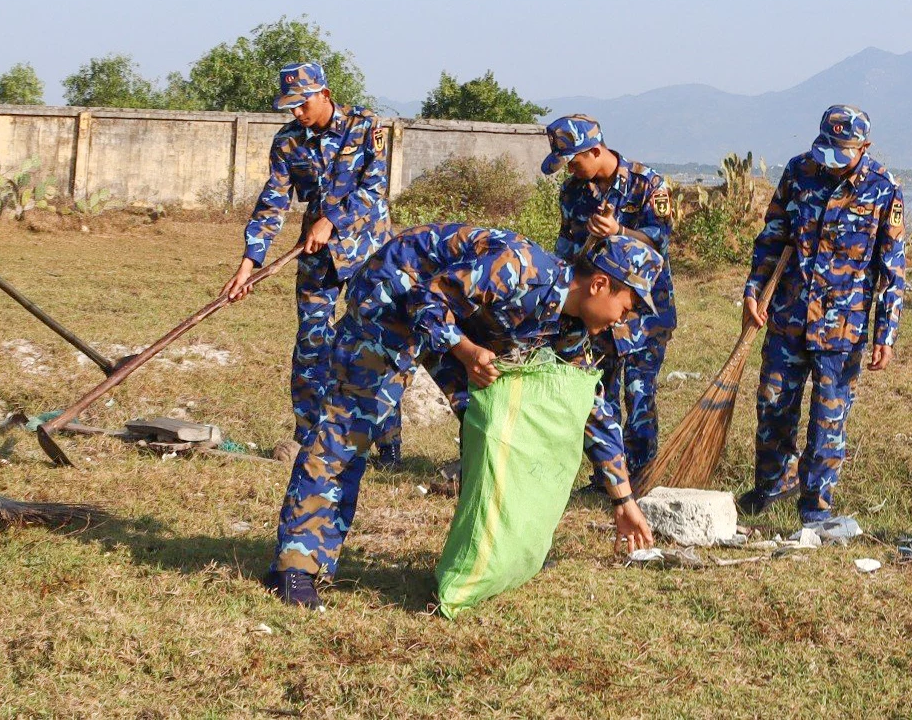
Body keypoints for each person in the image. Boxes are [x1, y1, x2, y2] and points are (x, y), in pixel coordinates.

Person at [267, 223, 659, 607]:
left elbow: (590, 404)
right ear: (600, 285)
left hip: (456, 324)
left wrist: (622, 498)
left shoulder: (571, 326)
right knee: (350, 428)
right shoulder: (517, 268)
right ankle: (297, 565)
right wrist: (466, 351)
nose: (623, 320)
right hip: (393, 297)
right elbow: (425, 299)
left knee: (499, 432)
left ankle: (494, 556)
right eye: (627, 307)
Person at [737, 105, 906, 530]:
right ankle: (772, 486)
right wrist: (753, 290)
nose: (829, 158)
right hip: (788, 317)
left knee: (827, 421)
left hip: (842, 328)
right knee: (772, 406)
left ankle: (815, 508)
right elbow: (772, 236)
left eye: (841, 150)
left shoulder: (883, 189)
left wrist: (886, 332)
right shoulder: (799, 172)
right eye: (825, 147)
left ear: (863, 147)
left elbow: (892, 270)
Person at [220, 62, 393, 458]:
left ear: (324, 95)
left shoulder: (364, 126)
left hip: (369, 250)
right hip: (317, 255)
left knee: (376, 343)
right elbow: (273, 203)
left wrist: (331, 220)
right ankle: (309, 437)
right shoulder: (287, 142)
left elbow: (374, 188)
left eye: (302, 104)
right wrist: (249, 264)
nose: (297, 113)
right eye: (290, 107)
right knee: (311, 342)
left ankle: (386, 444)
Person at [542, 114, 675, 487]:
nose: (570, 169)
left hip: (641, 313)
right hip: (596, 306)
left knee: (640, 395)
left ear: (595, 150)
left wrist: (619, 231)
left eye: (573, 161)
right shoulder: (572, 192)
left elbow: (660, 241)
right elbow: (566, 246)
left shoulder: (647, 183)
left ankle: (642, 476)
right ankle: (609, 477)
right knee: (600, 390)